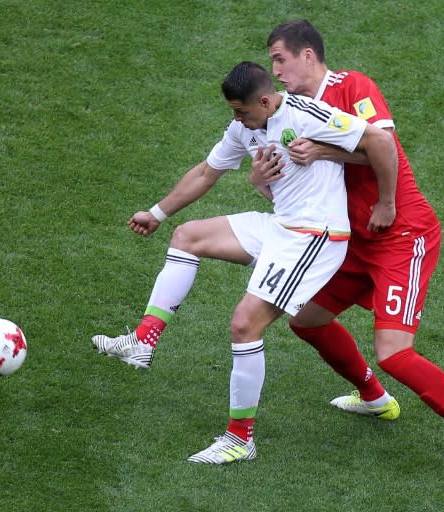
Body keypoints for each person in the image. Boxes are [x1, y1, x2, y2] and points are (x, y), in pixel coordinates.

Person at [92, 61, 400, 463]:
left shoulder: (307, 113)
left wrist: (386, 201)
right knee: (188, 236)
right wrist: (157, 212)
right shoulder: (245, 128)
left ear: (266, 101)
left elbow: (379, 142)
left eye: (241, 111)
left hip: (316, 236)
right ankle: (142, 342)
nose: (235, 119)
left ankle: (240, 439)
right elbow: (205, 172)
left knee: (244, 324)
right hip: (282, 226)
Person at [250, 20, 444, 497]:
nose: (275, 71)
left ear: (309, 55)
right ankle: (374, 398)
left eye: (280, 59)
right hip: (353, 240)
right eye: (271, 62)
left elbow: (381, 145)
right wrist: (260, 177)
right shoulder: (289, 110)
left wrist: (385, 202)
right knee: (306, 320)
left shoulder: (354, 86)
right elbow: (287, 182)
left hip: (399, 232)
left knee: (395, 353)